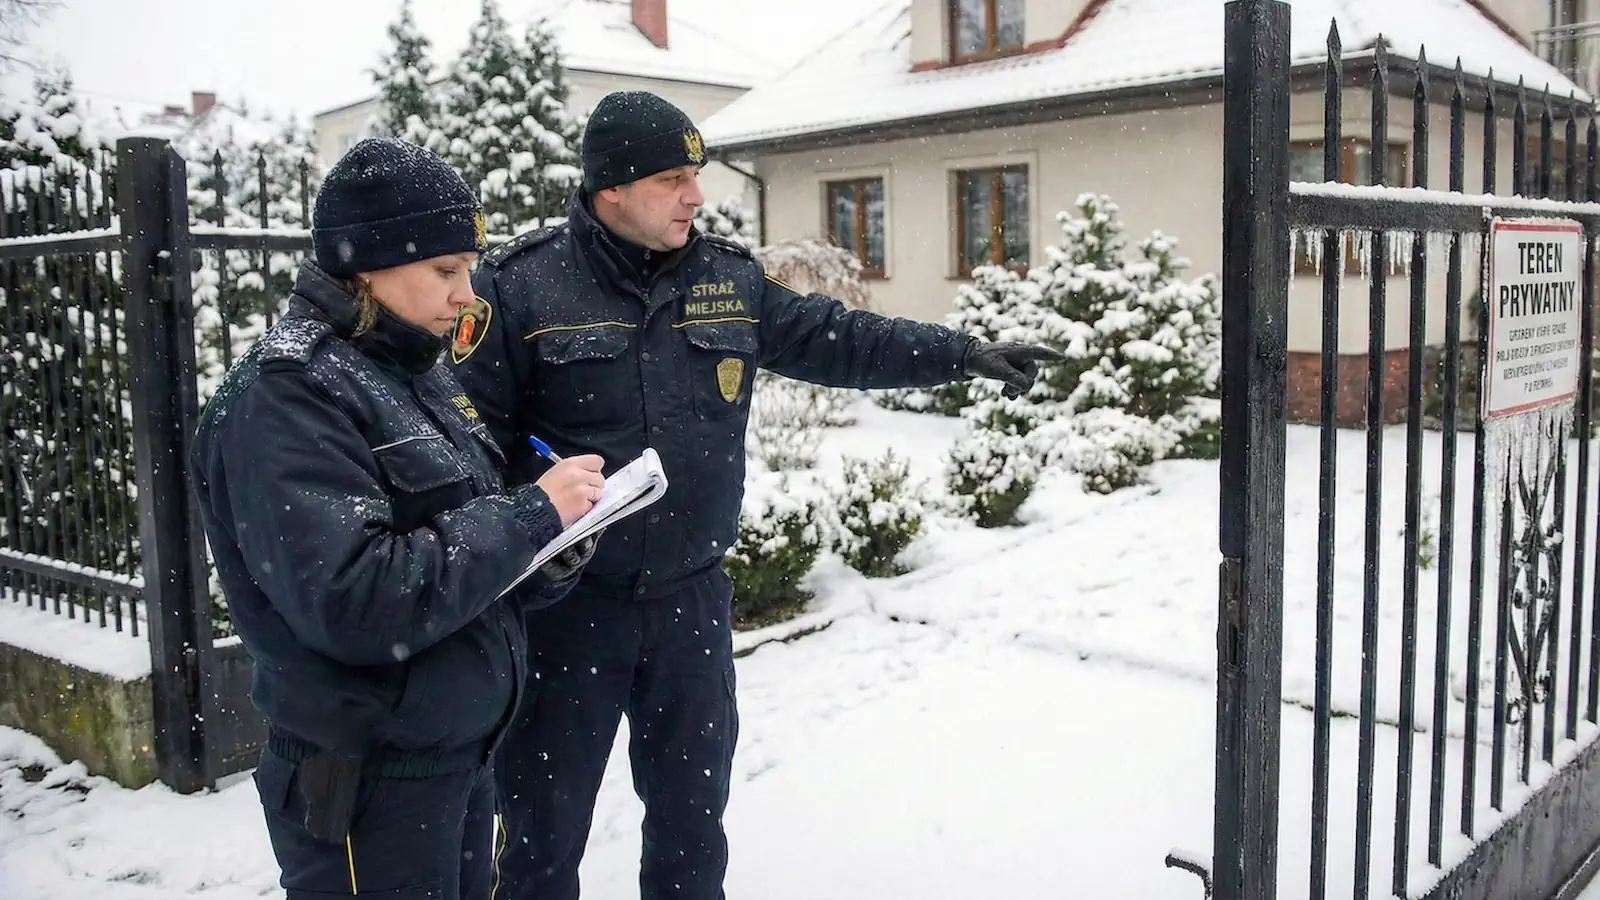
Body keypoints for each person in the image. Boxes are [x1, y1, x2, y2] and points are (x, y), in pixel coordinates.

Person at [450, 90, 1062, 900]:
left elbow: (844, 339)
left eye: (696, 176)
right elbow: (467, 447)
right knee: (539, 838)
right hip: (568, 615)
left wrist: (965, 353)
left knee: (692, 826)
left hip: (689, 608)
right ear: (613, 190)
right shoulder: (519, 289)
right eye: (673, 179)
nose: (696, 196)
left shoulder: (728, 278)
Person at [188, 137, 610, 900]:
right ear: (365, 267)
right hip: (369, 784)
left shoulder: (413, 370)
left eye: (469, 269)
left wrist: (552, 546)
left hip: (456, 759)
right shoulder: (289, 394)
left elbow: (459, 542)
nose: (466, 295)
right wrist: (528, 517)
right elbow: (356, 600)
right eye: (446, 270)